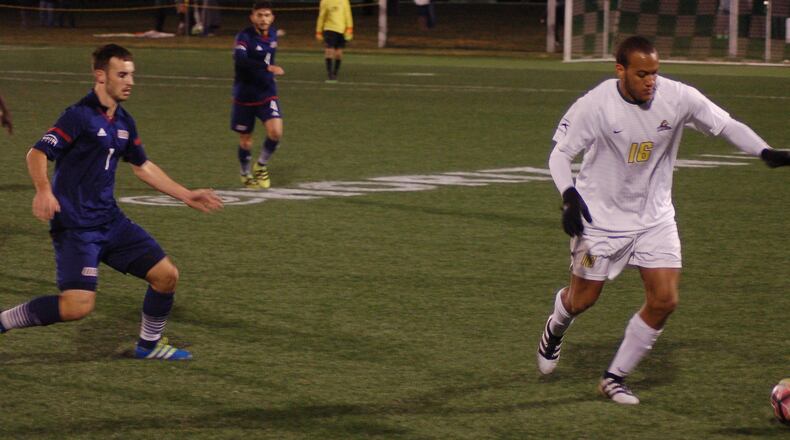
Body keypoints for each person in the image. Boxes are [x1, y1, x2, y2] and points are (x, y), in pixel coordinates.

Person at [536, 36, 789, 404]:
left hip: (655, 219)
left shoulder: (678, 97)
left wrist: (764, 150)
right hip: (600, 221)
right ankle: (556, 326)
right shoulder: (595, 105)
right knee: (582, 300)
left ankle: (614, 378)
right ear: (620, 70)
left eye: (655, 72)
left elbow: (725, 125)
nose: (650, 81)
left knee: (665, 299)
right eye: (642, 74)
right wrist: (569, 196)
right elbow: (559, 156)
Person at [0, 44, 223, 360]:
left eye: (132, 74)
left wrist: (185, 194)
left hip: (110, 221)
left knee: (166, 275)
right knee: (77, 307)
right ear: (100, 75)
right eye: (122, 74)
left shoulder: (124, 122)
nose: (129, 81)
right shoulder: (78, 116)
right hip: (76, 227)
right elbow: (37, 153)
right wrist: (43, 190)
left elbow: (142, 166)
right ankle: (3, 321)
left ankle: (147, 346)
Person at [231, 1, 285, 189]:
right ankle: (245, 173)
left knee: (276, 132)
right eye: (260, 15)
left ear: (272, 17)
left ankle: (261, 165)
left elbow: (270, 54)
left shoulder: (272, 34)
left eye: (267, 15)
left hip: (267, 91)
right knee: (246, 140)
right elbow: (240, 59)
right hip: (245, 94)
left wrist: (268, 74)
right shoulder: (244, 37)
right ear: (252, 17)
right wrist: (266, 67)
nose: (263, 19)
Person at [315, 0, 353, 82]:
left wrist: (349, 28)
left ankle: (335, 72)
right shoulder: (325, 1)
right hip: (329, 29)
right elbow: (322, 16)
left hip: (342, 30)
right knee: (329, 50)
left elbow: (348, 15)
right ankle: (330, 73)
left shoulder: (344, 1)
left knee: (339, 53)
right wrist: (318, 31)